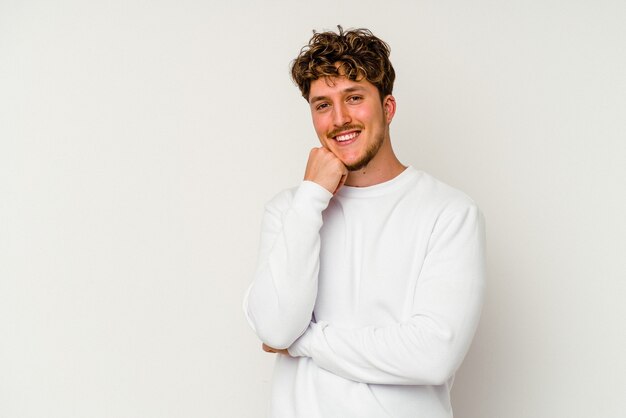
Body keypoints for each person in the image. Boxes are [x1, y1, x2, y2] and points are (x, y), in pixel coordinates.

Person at [243, 26, 486, 418]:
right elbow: (275, 329)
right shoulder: (289, 210)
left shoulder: (450, 213)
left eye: (353, 98)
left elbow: (433, 355)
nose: (339, 119)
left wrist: (305, 341)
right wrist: (312, 197)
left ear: (387, 108)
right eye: (323, 105)